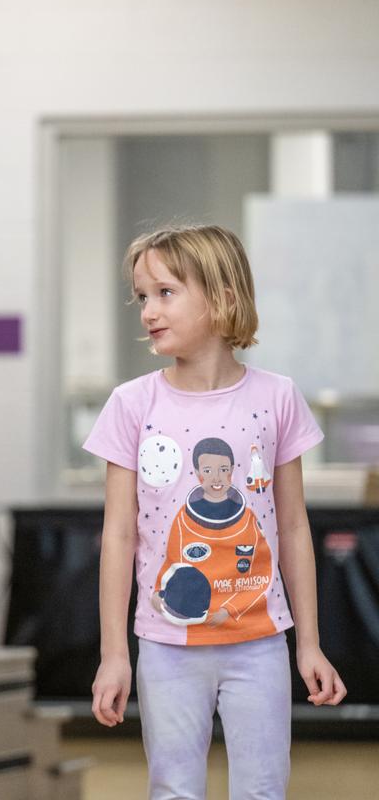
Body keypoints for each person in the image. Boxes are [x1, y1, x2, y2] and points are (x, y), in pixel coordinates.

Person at [85, 225, 347, 799]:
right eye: (142, 297)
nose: (148, 311)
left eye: (165, 292)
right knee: (174, 790)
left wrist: (309, 643)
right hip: (166, 646)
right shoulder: (133, 404)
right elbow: (119, 536)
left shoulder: (277, 398)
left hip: (260, 643)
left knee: (262, 791)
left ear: (221, 296)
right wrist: (114, 656)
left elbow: (295, 526)